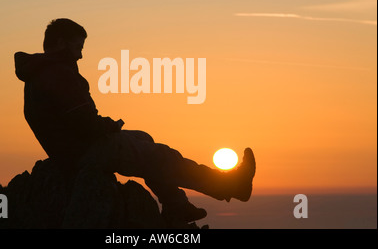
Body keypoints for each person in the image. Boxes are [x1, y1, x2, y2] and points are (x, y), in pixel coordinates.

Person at [14, 18, 256, 224]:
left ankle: (175, 205)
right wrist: (109, 125)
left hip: (74, 148)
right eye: (78, 47)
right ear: (60, 43)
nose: (80, 54)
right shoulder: (57, 73)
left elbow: (73, 119)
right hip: (85, 151)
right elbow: (85, 122)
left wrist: (105, 126)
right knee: (162, 158)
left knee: (143, 139)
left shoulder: (40, 73)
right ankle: (230, 185)